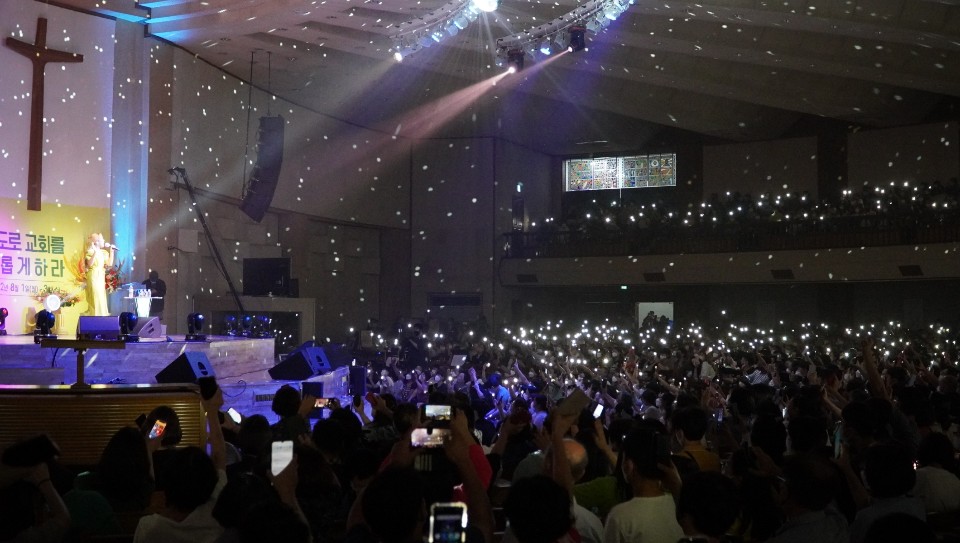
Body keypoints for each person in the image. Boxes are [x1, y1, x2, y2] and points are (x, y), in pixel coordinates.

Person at [83, 232, 116, 316]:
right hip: (93, 276)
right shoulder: (90, 251)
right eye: (102, 239)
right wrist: (95, 252)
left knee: (101, 297)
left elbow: (109, 264)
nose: (104, 241)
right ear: (96, 242)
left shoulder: (104, 252)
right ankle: (95, 316)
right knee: (95, 295)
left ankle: (102, 316)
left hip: (101, 276)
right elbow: (90, 264)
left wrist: (112, 252)